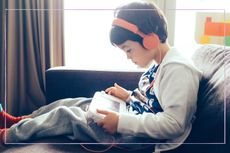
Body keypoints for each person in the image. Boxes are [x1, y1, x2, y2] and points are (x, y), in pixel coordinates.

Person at [0, 1, 202, 152]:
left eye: (128, 50)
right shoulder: (161, 64)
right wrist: (129, 96)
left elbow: (173, 124)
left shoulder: (178, 69)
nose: (128, 57)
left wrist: (120, 122)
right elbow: (152, 103)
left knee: (66, 115)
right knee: (79, 102)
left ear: (149, 40)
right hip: (134, 120)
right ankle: (21, 121)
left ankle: (8, 135)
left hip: (140, 140)